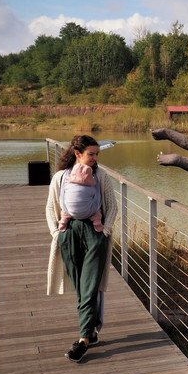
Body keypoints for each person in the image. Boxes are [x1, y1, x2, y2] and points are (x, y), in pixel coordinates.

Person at [46, 135, 118, 362]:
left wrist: (105, 231)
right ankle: (92, 331)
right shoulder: (60, 177)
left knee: (89, 285)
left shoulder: (100, 175)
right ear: (77, 153)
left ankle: (83, 340)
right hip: (69, 234)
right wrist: (56, 233)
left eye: (97, 154)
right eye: (91, 154)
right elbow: (50, 207)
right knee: (80, 285)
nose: (95, 158)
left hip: (94, 234)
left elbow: (112, 206)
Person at [57, 161, 103, 233]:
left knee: (64, 211)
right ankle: (96, 220)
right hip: (88, 212)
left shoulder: (68, 183)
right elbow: (95, 195)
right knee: (97, 210)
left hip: (70, 211)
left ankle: (63, 220)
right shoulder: (90, 187)